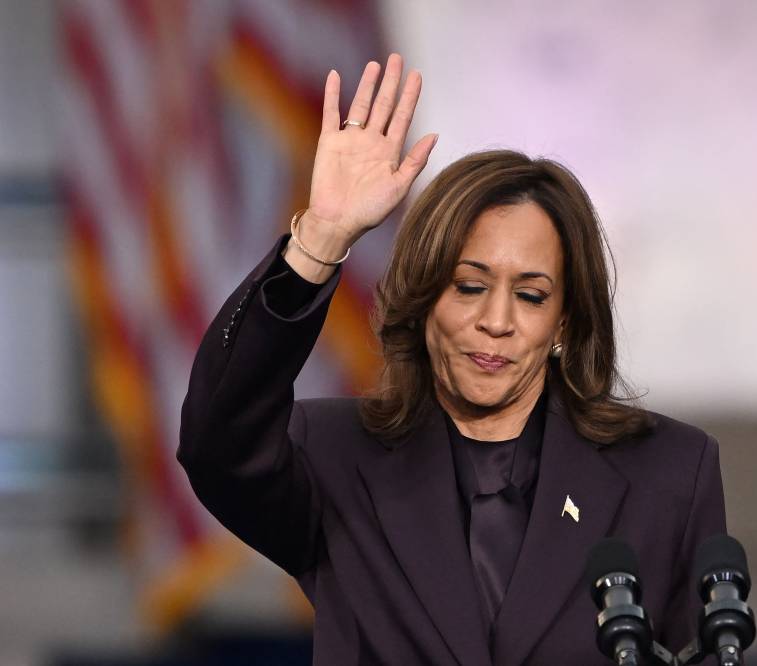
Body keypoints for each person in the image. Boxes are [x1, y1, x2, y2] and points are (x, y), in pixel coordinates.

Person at [177, 53, 726, 665]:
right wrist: (321, 240)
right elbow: (216, 444)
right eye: (468, 285)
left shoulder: (670, 473)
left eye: (531, 295)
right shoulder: (334, 458)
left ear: (565, 319)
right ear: (422, 298)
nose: (496, 320)